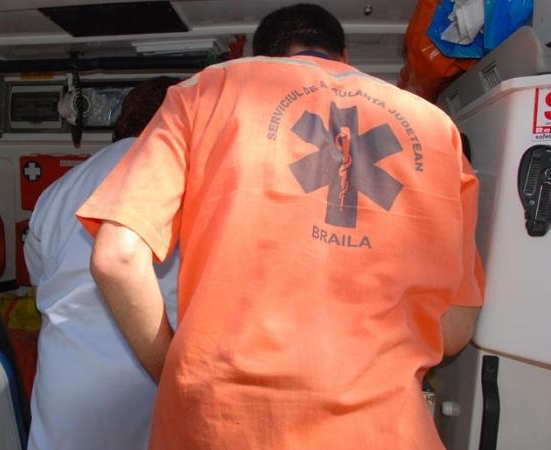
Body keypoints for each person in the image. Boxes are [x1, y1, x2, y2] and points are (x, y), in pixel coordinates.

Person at [77, 4, 485, 449]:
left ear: (263, 55)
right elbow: (453, 329)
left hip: (219, 428)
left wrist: (174, 373)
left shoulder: (208, 90)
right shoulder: (436, 129)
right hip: (383, 431)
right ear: (345, 57)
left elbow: (117, 257)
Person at [24, 76, 180, 450]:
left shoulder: (58, 189)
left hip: (65, 389)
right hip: (147, 386)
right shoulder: (182, 180)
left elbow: (39, 285)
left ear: (123, 121)